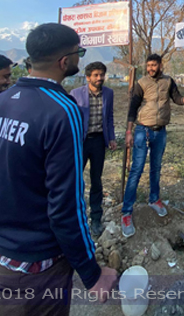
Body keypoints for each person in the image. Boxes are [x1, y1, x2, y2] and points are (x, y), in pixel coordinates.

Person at [0, 23, 117, 316]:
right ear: (64, 61)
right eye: (79, 52)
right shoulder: (63, 111)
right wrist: (92, 274)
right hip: (34, 273)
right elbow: (66, 207)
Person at [121, 54, 184, 238]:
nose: (151, 68)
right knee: (136, 169)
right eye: (149, 65)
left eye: (154, 65)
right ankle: (127, 212)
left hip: (160, 131)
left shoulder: (168, 81)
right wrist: (129, 132)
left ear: (161, 65)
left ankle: (154, 199)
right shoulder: (142, 83)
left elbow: (176, 98)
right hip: (142, 131)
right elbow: (133, 107)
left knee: (156, 168)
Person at [70, 62, 116, 237]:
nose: (99, 78)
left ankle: (96, 217)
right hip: (80, 142)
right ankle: (75, 216)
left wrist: (111, 137)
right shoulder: (75, 94)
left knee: (96, 180)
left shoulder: (109, 94)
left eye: (102, 75)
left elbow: (109, 117)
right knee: (75, 179)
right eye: (96, 75)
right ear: (88, 77)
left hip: (98, 142)